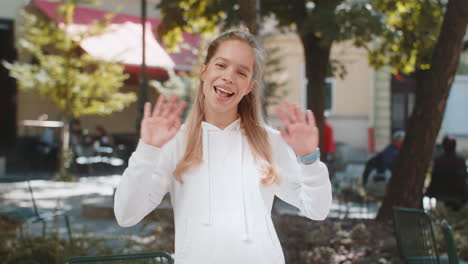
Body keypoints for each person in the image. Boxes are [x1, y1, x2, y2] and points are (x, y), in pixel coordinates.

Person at [113, 27, 332, 264]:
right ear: (204, 72)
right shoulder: (174, 142)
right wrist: (147, 150)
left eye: (241, 72)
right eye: (221, 65)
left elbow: (316, 210)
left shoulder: (270, 141)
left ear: (249, 86)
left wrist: (309, 159)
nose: (228, 76)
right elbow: (127, 214)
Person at [426, 136, 467, 211]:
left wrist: (429, 193)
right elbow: (463, 179)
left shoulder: (439, 161)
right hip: (458, 200)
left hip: (441, 198)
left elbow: (434, 179)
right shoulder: (460, 161)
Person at [362, 130, 405, 197]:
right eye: (401, 141)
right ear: (396, 141)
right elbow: (389, 165)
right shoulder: (392, 152)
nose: (402, 143)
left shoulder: (392, 150)